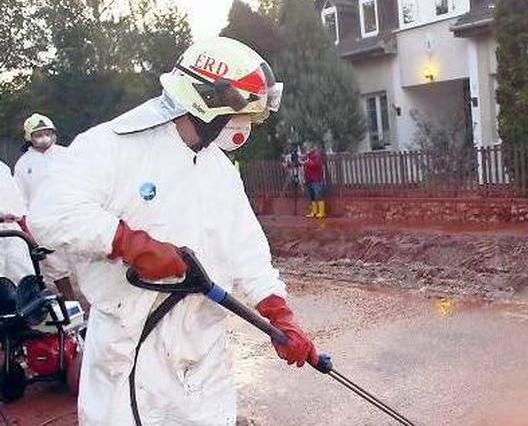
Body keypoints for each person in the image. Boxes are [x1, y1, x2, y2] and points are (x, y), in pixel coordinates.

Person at [29, 37, 317, 425]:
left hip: (203, 349)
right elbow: (49, 213)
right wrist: (127, 243)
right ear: (207, 101)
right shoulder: (112, 147)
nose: (245, 125)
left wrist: (278, 313)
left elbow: (245, 248)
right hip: (130, 348)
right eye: (243, 113)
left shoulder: (218, 169)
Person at [14, 114, 82, 305]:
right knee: (56, 267)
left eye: (47, 133)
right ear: (29, 137)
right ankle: (71, 307)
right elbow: (22, 199)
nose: (43, 138)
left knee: (83, 261)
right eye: (38, 134)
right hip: (43, 224)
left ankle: (93, 307)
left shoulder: (67, 155)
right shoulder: (23, 165)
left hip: (71, 217)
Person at [0, 161, 32, 283]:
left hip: (12, 231)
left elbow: (18, 207)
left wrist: (27, 234)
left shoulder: (3, 168)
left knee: (24, 277)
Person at [303, 143, 326, 218]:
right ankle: (314, 212)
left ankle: (321, 212)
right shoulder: (307, 156)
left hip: (316, 179)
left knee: (318, 195)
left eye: (308, 147)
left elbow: (316, 164)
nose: (307, 149)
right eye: (306, 148)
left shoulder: (317, 155)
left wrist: (306, 162)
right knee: (312, 196)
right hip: (308, 179)